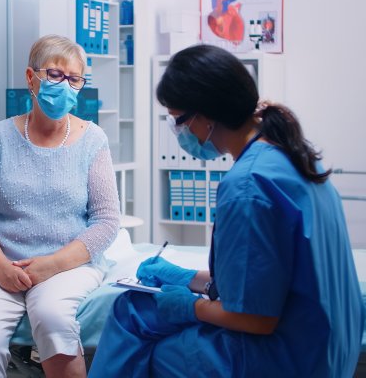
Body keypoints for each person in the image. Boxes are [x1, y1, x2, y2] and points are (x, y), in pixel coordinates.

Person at [88, 44, 364, 377]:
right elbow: (265, 280)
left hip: (286, 358)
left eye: (178, 121)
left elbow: (256, 318)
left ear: (205, 117)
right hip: (329, 348)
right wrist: (190, 278)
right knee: (138, 311)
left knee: (137, 324)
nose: (179, 133)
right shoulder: (296, 157)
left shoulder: (247, 187)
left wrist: (194, 307)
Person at [0, 34, 120, 378]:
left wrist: (50, 266)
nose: (65, 86)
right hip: (1, 265)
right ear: (31, 78)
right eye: (55, 75)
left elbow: (106, 221)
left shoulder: (93, 140)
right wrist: (0, 267)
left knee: (53, 320)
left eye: (74, 79)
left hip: (68, 266)